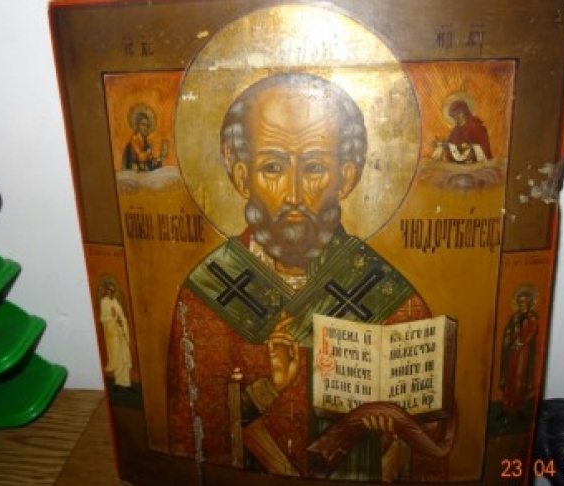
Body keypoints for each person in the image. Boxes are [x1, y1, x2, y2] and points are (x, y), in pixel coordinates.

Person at [167, 73, 453, 481]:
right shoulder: (208, 292)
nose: (294, 195)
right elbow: (196, 435)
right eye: (272, 167)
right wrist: (270, 388)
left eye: (315, 167)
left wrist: (396, 427)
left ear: (346, 178)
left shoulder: (390, 297)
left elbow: (433, 442)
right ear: (242, 177)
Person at [500, 290, 538, 416]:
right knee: (510, 375)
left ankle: (517, 406)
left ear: (529, 303)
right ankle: (506, 406)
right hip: (513, 349)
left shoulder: (532, 317)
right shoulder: (515, 317)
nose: (521, 304)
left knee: (519, 376)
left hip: (524, 351)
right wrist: (510, 339)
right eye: (519, 302)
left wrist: (522, 342)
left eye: (523, 302)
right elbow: (508, 331)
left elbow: (532, 332)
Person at [437, 100, 493, 164]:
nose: (456, 117)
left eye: (458, 113)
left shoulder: (475, 124)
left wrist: (470, 148)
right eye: (454, 115)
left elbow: (484, 146)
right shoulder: (455, 131)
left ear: (465, 111)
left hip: (476, 163)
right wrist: (445, 145)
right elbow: (451, 147)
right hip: (459, 164)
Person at [99, 281, 132, 388]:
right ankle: (118, 381)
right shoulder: (104, 302)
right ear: (106, 291)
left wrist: (122, 322)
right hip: (111, 333)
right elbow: (103, 319)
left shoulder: (115, 301)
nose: (111, 293)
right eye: (109, 291)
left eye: (112, 291)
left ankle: (125, 382)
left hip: (118, 331)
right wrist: (112, 318)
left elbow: (121, 315)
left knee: (123, 355)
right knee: (117, 354)